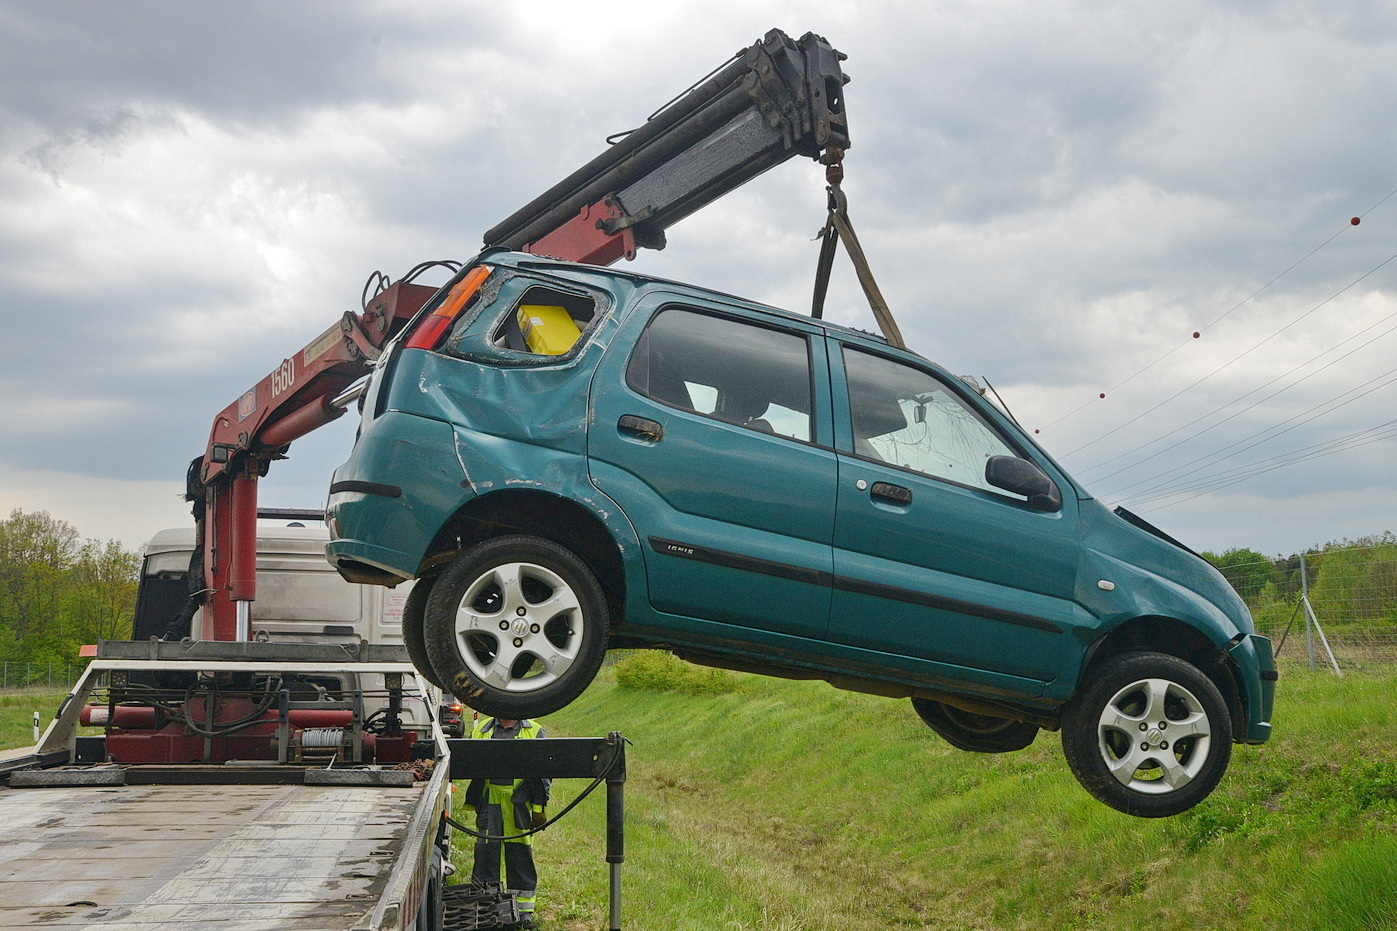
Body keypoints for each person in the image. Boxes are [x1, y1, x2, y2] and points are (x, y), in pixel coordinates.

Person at [464, 716, 550, 928]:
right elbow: (470, 764)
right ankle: (486, 911)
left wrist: (538, 809)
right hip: (489, 799)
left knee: (520, 854)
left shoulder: (535, 731)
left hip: (518, 803)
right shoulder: (481, 730)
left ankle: (523, 913)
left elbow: (543, 774)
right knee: (485, 854)